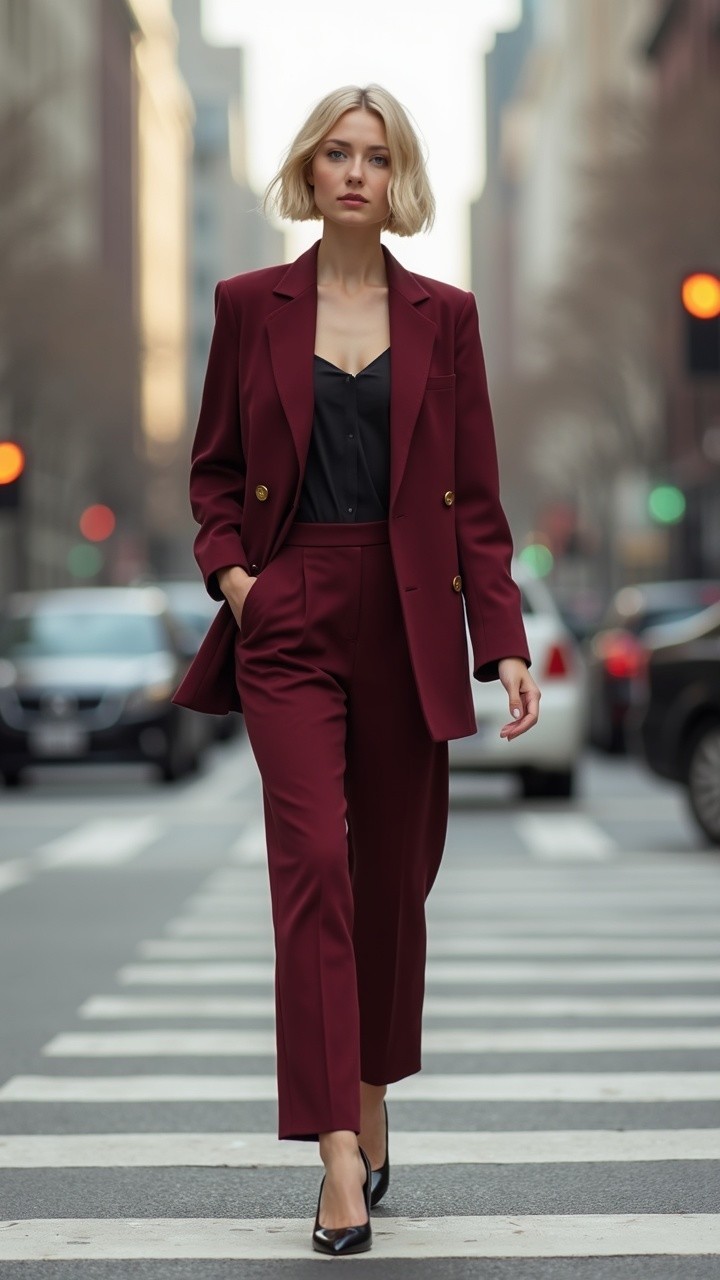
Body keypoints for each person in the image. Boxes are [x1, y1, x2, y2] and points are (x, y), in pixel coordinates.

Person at [172, 83, 540, 1257]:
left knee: (393, 881)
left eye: (375, 157)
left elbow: (475, 501)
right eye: (335, 152)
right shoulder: (248, 305)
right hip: (290, 611)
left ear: (399, 180)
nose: (353, 173)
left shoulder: (448, 317)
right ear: (308, 168)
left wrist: (508, 639)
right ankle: (336, 1149)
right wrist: (239, 583)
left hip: (407, 612)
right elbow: (214, 477)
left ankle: (375, 1088)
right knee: (313, 868)